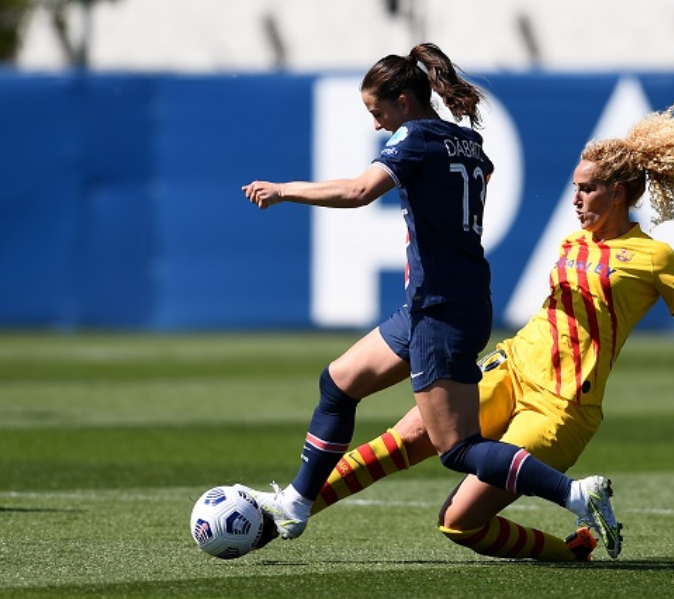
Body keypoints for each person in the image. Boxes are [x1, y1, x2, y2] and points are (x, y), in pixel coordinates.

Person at [247, 80, 674, 562]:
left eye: (587, 188)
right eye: (575, 187)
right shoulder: (570, 242)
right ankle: (286, 511)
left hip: (564, 404)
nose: (575, 198)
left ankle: (572, 545)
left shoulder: (655, 258)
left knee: (458, 522)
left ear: (618, 192)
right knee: (406, 438)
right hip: (510, 367)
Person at [239, 43, 624, 559]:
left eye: (378, 113)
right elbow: (481, 175)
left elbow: (358, 192)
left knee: (458, 447)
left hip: (440, 311)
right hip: (441, 304)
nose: (377, 125)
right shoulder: (465, 140)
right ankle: (297, 503)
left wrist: (284, 190)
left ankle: (574, 493)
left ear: (402, 101)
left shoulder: (416, 138)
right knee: (338, 382)